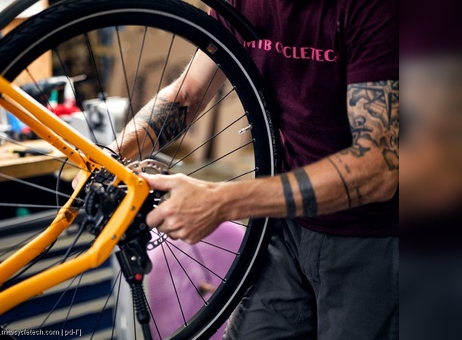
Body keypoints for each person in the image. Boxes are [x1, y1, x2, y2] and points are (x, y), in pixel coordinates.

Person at [76, 0, 399, 338]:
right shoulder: (242, 2)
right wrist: (108, 157)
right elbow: (186, 95)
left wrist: (221, 200)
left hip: (373, 236)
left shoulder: (376, 10)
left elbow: (378, 168)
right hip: (285, 225)